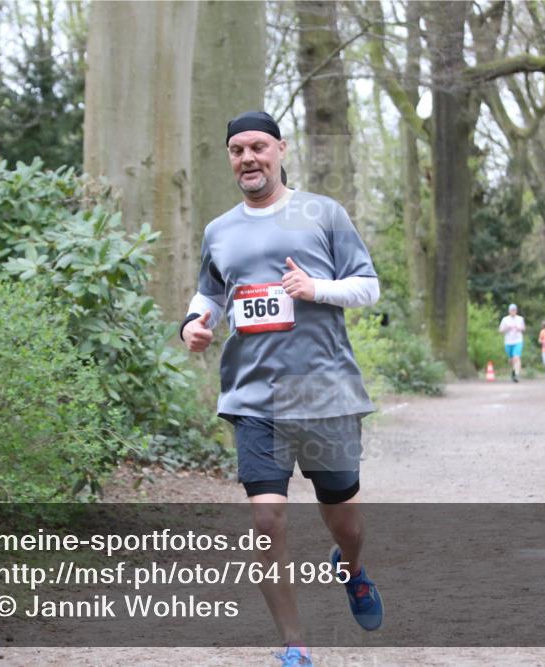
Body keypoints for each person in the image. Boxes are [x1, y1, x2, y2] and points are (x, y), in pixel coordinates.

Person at [180, 110, 383, 667]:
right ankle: (294, 644)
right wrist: (193, 324)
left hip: (323, 393)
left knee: (344, 518)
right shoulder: (219, 230)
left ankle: (353, 569)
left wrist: (314, 287)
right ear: (230, 157)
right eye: (238, 149)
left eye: (259, 147)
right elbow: (212, 295)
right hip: (255, 398)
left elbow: (368, 286)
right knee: (266, 519)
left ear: (280, 150)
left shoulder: (323, 213)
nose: (248, 158)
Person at [498, 303, 526, 382]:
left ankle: (516, 374)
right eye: (511, 310)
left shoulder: (520, 319)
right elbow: (500, 330)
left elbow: (523, 328)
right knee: (511, 359)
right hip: (508, 341)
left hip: (518, 341)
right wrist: (506, 328)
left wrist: (519, 328)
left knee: (516, 357)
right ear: (509, 311)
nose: (513, 311)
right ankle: (513, 371)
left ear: (516, 311)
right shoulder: (505, 319)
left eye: (514, 310)